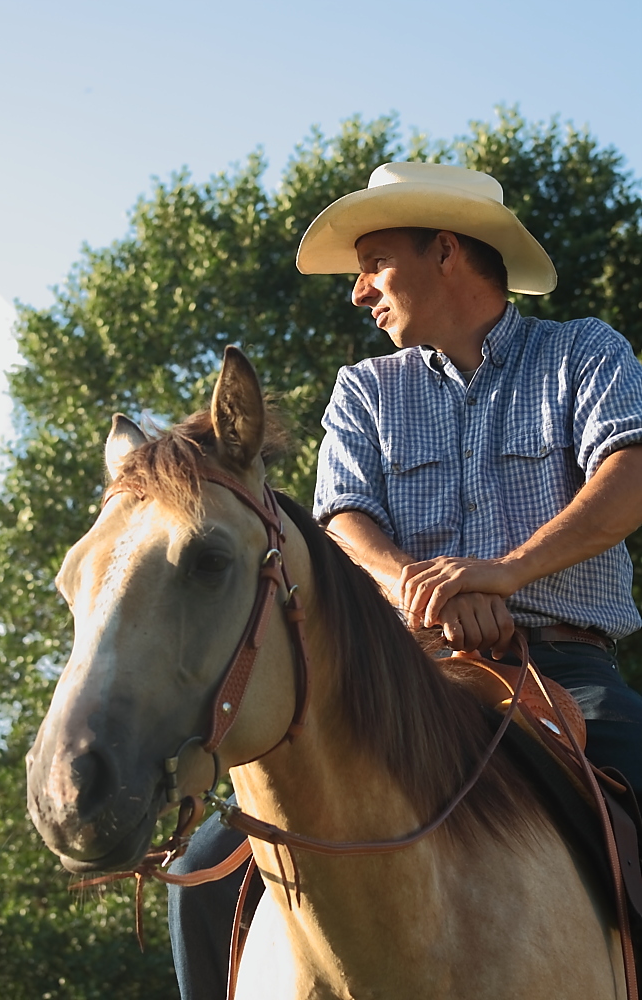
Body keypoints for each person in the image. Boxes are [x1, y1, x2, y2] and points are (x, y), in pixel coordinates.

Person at [168, 161, 642, 998]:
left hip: (565, 673)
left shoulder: (582, 352)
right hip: (402, 678)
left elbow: (629, 479)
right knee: (209, 874)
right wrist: (427, 594)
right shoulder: (363, 392)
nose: (358, 293)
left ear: (447, 251)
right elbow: (343, 521)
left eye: (374, 263)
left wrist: (504, 573)